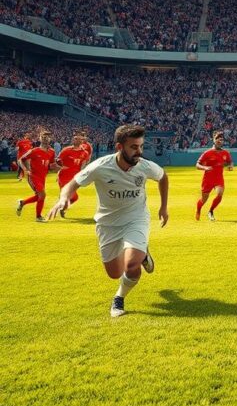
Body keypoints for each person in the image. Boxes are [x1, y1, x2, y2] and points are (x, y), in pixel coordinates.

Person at [47, 124, 169, 318]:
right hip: (107, 223)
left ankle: (119, 297)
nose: (139, 152)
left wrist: (163, 207)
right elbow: (73, 183)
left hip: (136, 218)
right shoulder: (100, 166)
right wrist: (63, 199)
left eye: (141, 146)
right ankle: (142, 253)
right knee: (114, 273)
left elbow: (163, 177)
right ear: (119, 147)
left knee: (131, 266)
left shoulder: (144, 166)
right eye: (134, 147)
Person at [16, 131, 56, 222]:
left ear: (50, 139)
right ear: (40, 139)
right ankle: (38, 217)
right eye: (43, 137)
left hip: (43, 177)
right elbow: (20, 160)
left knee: (39, 196)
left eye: (47, 137)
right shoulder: (34, 151)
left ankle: (22, 202)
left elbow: (52, 165)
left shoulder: (52, 152)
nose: (45, 139)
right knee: (42, 195)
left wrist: (61, 168)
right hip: (33, 176)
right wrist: (26, 170)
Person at [195, 130, 233, 221]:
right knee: (204, 199)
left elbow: (229, 162)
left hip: (218, 178)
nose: (220, 141)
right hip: (207, 180)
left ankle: (211, 211)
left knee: (220, 194)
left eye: (221, 140)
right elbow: (197, 165)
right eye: (217, 139)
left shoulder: (225, 153)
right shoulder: (207, 153)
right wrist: (205, 168)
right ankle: (198, 209)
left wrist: (230, 166)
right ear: (214, 140)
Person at [55, 132, 90, 217]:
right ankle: (58, 208)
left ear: (81, 141)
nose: (76, 140)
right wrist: (60, 168)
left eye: (78, 139)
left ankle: (62, 208)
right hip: (63, 176)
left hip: (74, 178)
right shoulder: (66, 150)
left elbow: (83, 166)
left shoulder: (85, 153)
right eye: (74, 138)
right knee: (69, 195)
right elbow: (57, 161)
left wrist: (81, 176)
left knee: (74, 198)